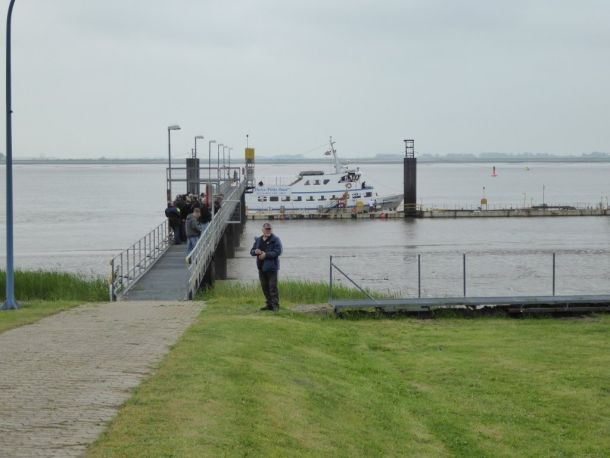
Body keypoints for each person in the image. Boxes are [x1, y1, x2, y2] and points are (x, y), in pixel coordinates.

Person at [250, 222, 283, 311]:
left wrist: (266, 255)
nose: (268, 230)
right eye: (266, 229)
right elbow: (251, 251)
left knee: (272, 287)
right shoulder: (258, 240)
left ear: (271, 230)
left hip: (272, 268)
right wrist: (255, 251)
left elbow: (278, 251)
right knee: (264, 287)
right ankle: (269, 305)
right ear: (263, 230)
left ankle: (275, 306)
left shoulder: (275, 239)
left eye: (269, 229)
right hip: (261, 267)